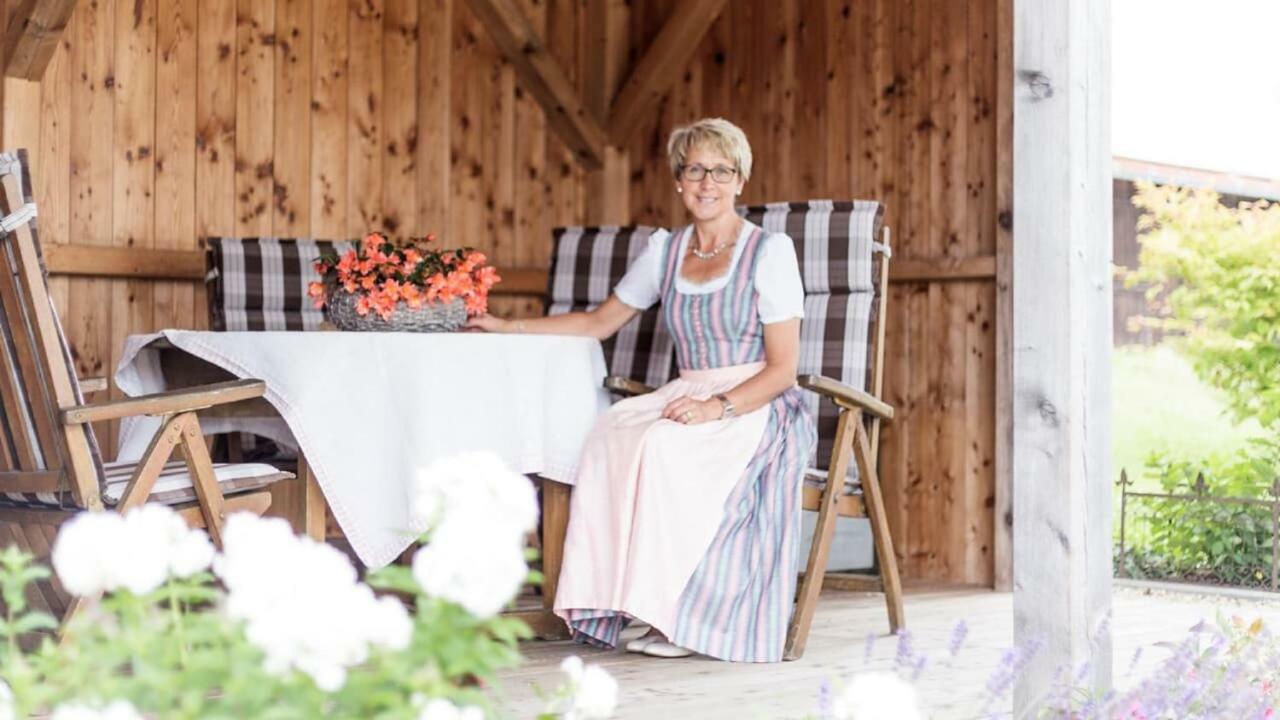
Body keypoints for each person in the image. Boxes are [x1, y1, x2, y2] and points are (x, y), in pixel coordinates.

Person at [466, 117, 816, 662]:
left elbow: (783, 369)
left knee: (662, 447)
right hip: (689, 388)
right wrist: (505, 326)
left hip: (753, 400)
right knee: (609, 433)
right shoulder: (666, 252)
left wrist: (715, 408)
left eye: (721, 171)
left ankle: (675, 611)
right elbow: (598, 322)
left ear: (740, 180)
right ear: (678, 180)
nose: (707, 182)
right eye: (695, 169)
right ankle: (620, 602)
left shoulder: (769, 253)